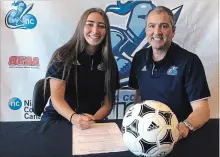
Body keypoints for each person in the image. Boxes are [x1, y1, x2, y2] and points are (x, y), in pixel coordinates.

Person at [128, 6, 210, 140]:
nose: (157, 31)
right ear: (146, 30)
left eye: (163, 26)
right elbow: (137, 97)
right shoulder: (139, 58)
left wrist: (183, 128)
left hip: (179, 136)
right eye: (152, 26)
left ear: (173, 31)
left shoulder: (189, 61)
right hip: (146, 135)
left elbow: (202, 110)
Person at [41, 8, 120, 130]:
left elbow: (107, 104)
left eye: (101, 26)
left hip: (92, 121)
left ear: (106, 31)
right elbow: (57, 99)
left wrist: (91, 120)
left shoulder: (109, 62)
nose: (95, 30)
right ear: (81, 27)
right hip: (58, 119)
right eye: (90, 24)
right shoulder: (63, 56)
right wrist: (74, 118)